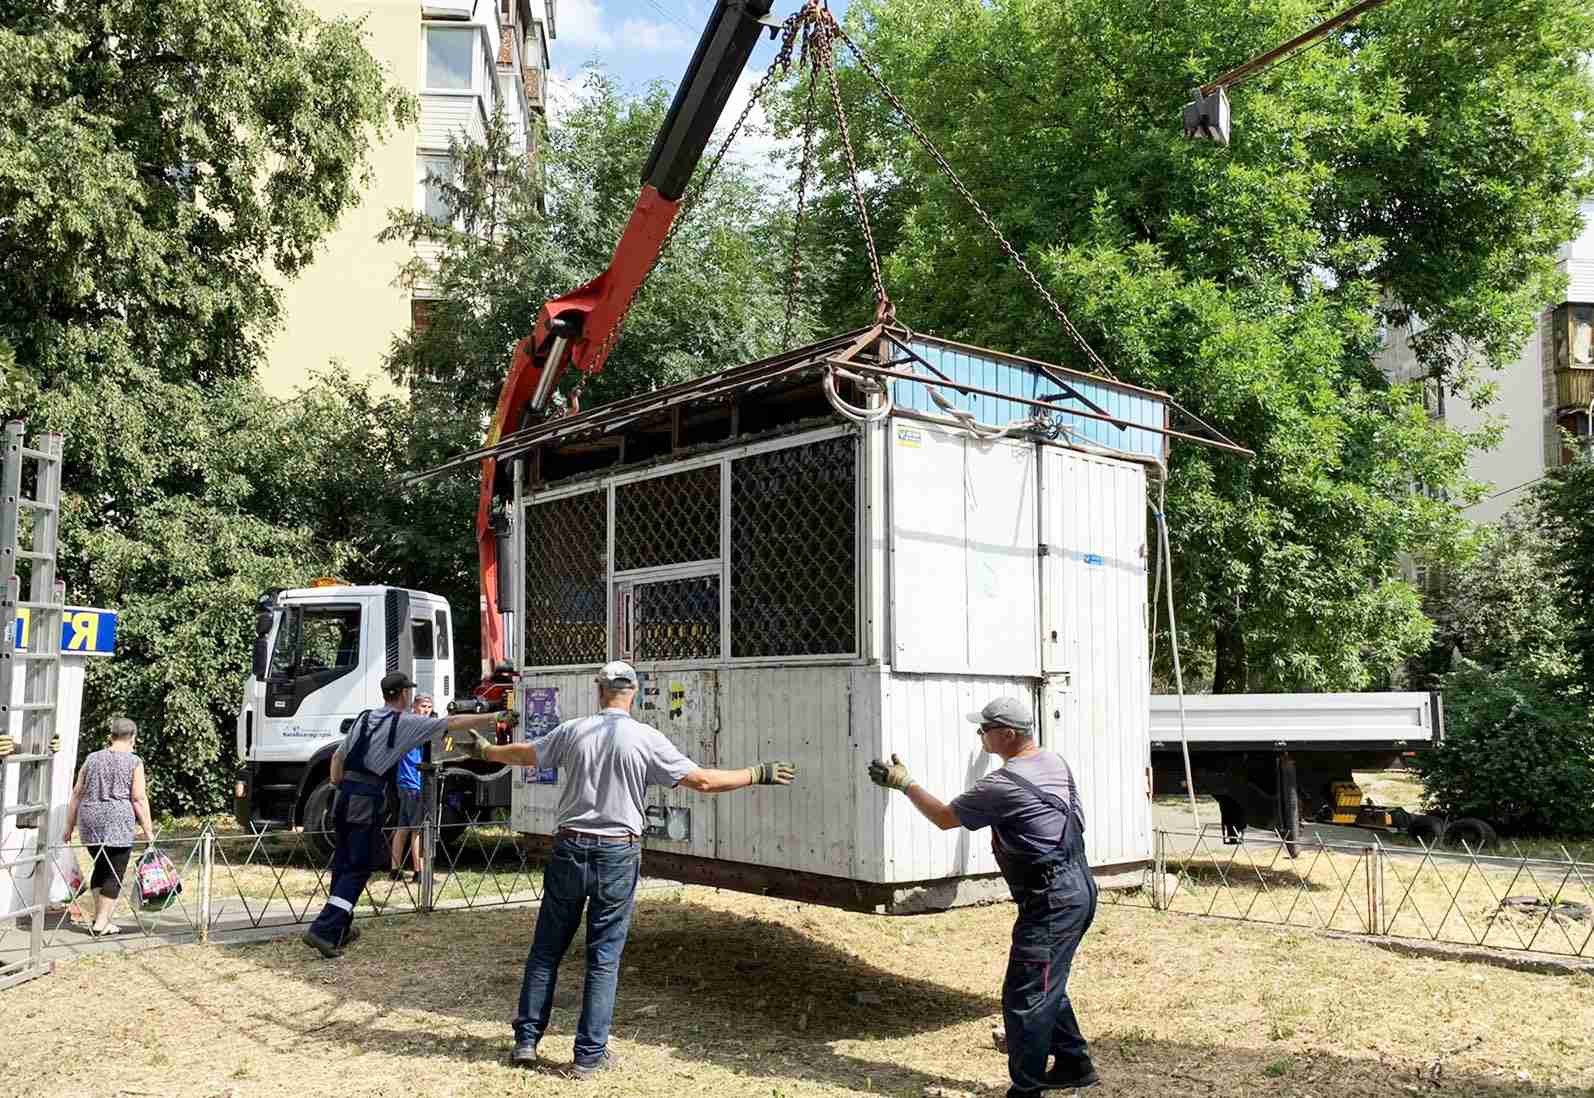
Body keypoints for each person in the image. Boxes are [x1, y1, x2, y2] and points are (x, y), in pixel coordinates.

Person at [458, 660, 798, 1078]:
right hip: (617, 854)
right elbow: (703, 782)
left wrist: (489, 752)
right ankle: (588, 1056)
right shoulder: (646, 739)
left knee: (547, 949)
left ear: (600, 689)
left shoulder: (573, 730)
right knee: (603, 957)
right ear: (633, 692)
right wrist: (756, 773)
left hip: (569, 848)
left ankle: (526, 1042)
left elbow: (527, 754)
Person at [867, 697, 1099, 1096]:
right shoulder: (1053, 762)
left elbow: (944, 818)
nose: (980, 736)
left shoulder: (1002, 785)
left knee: (1026, 994)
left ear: (1007, 734)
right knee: (1046, 979)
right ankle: (1073, 1062)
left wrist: (903, 783)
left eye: (985, 729)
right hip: (1078, 885)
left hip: (1051, 897)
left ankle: (1025, 1090)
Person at [302, 672, 511, 958]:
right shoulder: (405, 723)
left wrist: (338, 784)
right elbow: (451, 723)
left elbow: (338, 758)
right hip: (366, 801)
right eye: (408, 692)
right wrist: (494, 717)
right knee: (359, 867)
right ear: (402, 694)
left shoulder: (364, 718)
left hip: (341, 798)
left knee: (342, 863)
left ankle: (339, 929)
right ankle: (323, 930)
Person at [59, 717, 154, 936]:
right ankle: (101, 923)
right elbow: (138, 798)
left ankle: (100, 918)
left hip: (90, 819)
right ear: (133, 737)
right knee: (114, 872)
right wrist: (148, 831)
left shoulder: (92, 759)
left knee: (101, 866)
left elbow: (76, 794)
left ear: (110, 736)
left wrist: (69, 825)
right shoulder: (134, 761)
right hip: (117, 821)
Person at [388, 694, 432, 883]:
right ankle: (418, 872)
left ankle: (395, 869)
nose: (427, 710)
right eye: (423, 706)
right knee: (417, 830)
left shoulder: (406, 724)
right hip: (413, 783)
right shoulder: (415, 726)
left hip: (404, 782)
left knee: (403, 827)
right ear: (414, 706)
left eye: (429, 707)